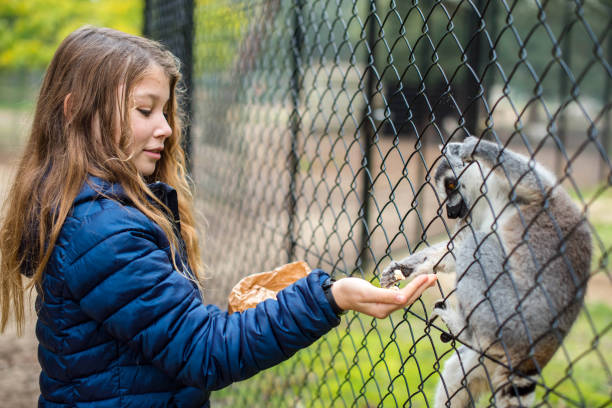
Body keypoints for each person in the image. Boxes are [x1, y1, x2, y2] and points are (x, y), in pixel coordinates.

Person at [0, 26, 437, 407]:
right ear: (76, 111)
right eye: (144, 110)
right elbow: (205, 351)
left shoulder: (82, 210)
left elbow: (167, 330)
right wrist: (329, 298)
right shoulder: (103, 231)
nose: (167, 128)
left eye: (165, 111)